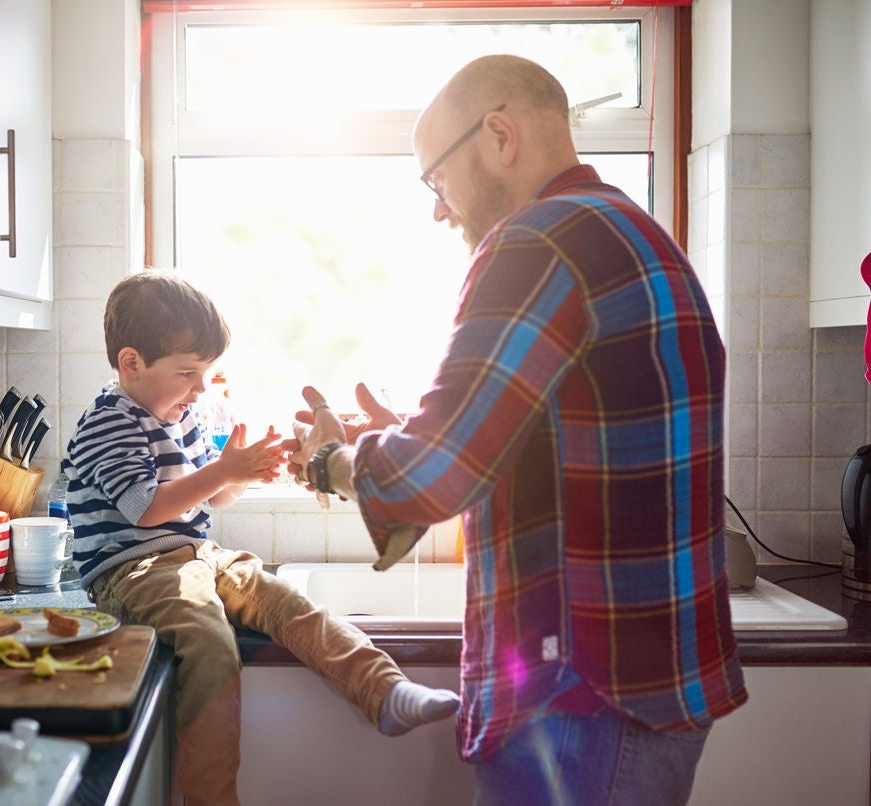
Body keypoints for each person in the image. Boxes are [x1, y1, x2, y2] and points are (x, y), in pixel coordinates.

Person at [285, 55, 748, 806]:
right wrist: (409, 432)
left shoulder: (534, 242)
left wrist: (332, 461)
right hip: (655, 682)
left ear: (499, 135)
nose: (439, 209)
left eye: (436, 178)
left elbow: (434, 475)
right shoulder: (637, 232)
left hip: (581, 699)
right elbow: (563, 434)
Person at [65, 270, 460, 806]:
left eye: (206, 373)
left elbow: (212, 498)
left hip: (195, 557)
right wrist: (224, 471)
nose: (200, 388)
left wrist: (241, 474)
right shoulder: (109, 421)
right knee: (209, 646)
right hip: (131, 570)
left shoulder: (184, 414)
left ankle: (385, 692)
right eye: (187, 373)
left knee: (290, 603)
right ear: (131, 363)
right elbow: (148, 509)